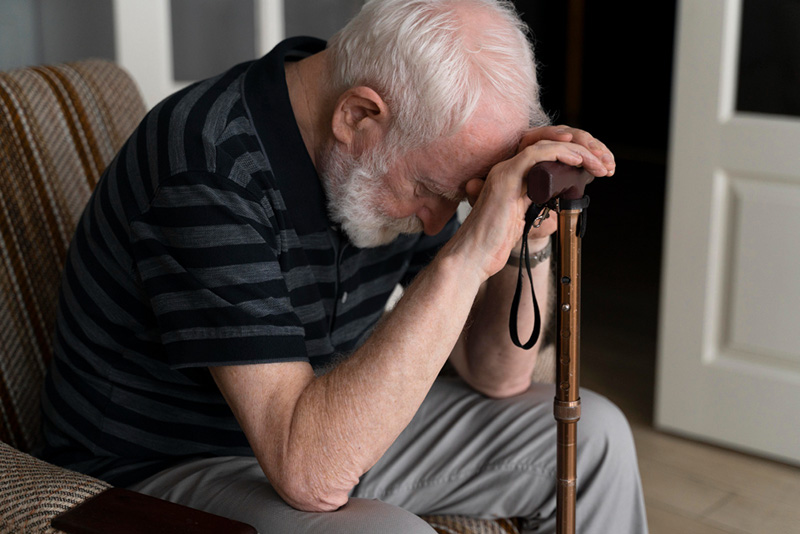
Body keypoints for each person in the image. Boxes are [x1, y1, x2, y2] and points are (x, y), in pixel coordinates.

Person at [40, 0, 647, 532]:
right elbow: (309, 475)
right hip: (160, 469)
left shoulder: (394, 151)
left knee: (594, 436)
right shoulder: (208, 164)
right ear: (358, 116)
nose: (439, 222)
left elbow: (498, 375)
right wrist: (465, 260)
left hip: (330, 421)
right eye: (431, 192)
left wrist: (526, 234)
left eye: (459, 199)